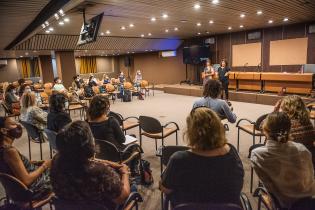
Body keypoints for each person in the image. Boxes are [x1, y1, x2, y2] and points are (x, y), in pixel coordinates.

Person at [160, 107, 244, 207]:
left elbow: (165, 189)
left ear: (190, 132)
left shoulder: (178, 159)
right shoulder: (232, 152)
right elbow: (238, 184)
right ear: (219, 128)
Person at [50, 121, 130, 209]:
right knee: (132, 186)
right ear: (88, 143)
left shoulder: (56, 161)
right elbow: (122, 197)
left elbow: (89, 161)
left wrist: (109, 163)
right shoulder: (100, 172)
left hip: (67, 206)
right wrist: (125, 173)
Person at [251, 112, 315, 208]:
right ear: (290, 129)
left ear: (265, 130)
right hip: (310, 202)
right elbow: (310, 177)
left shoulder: (257, 154)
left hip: (284, 204)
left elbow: (269, 187)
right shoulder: (302, 149)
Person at [0, 116, 52, 199]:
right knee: (63, 172)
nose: (18, 125)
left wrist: (31, 163)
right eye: (13, 124)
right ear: (3, 130)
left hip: (19, 189)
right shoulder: (9, 152)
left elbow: (15, 169)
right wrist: (45, 165)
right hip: (31, 190)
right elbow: (26, 181)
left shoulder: (4, 148)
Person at [274, 95, 315, 167]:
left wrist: (275, 112)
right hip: (307, 160)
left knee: (256, 149)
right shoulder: (308, 122)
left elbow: (262, 126)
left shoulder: (283, 122)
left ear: (286, 108)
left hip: (288, 161)